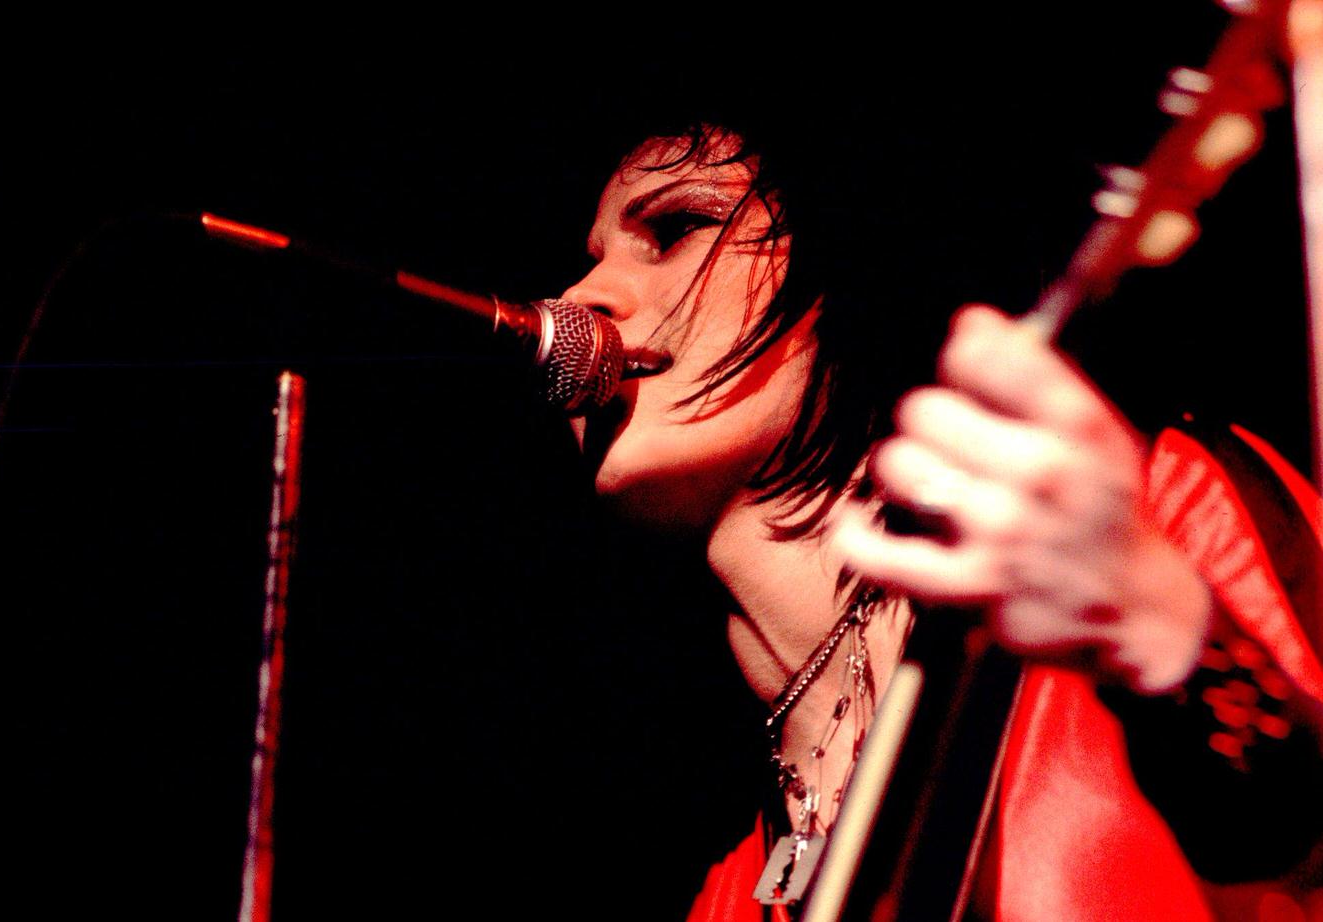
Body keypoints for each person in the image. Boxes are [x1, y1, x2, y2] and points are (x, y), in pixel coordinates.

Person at [556, 115, 1323, 920]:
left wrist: (1181, 647)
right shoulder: (736, 894)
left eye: (676, 227)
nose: (581, 298)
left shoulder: (1151, 518)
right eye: (595, 259)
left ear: (836, 270)